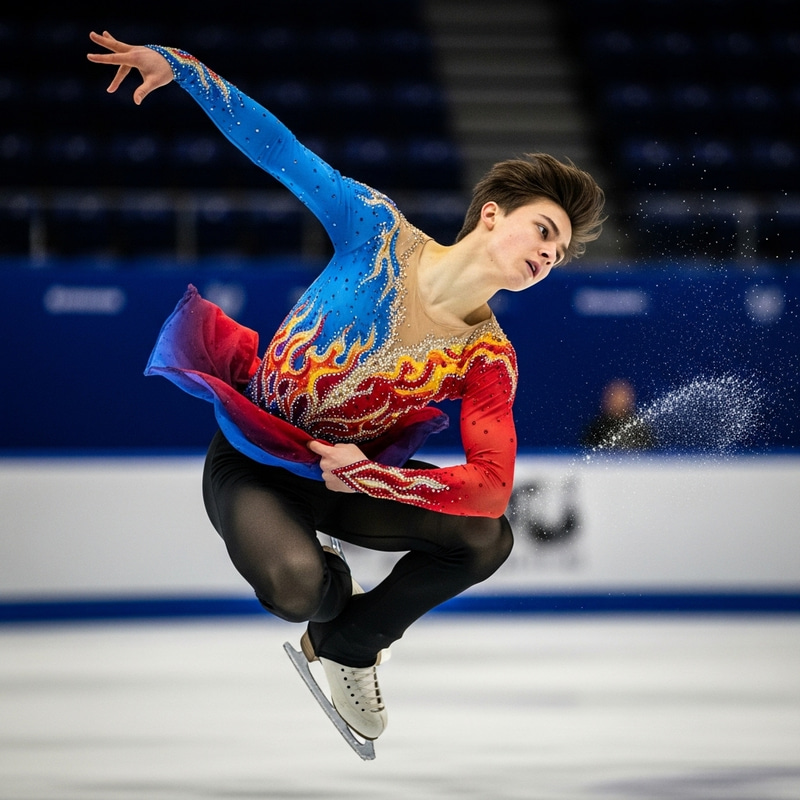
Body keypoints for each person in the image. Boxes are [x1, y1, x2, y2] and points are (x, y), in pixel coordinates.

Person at [88, 30, 605, 742]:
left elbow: (490, 485)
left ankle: (353, 644)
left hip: (345, 479)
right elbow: (280, 149)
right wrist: (180, 69)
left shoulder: (489, 357)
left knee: (487, 541)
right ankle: (332, 594)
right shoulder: (377, 231)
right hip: (253, 458)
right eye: (543, 229)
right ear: (493, 214)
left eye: (560, 251)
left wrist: (374, 480)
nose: (549, 253)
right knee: (296, 590)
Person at [580, 378, 656, 450]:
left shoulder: (640, 430)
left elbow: (651, 456)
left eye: (622, 397)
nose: (618, 401)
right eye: (613, 396)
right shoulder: (595, 430)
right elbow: (587, 455)